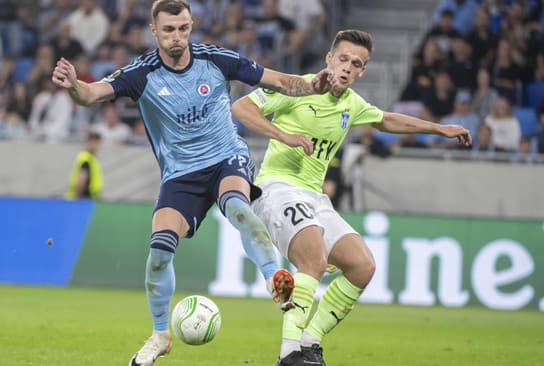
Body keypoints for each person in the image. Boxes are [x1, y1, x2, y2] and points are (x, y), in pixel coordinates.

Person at [51, 1, 334, 365]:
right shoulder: (141, 73)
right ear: (154, 31)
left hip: (226, 157)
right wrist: (74, 84)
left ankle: (273, 279)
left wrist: (313, 84)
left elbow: (278, 80)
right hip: (181, 175)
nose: (177, 37)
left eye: (183, 28)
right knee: (158, 254)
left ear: (191, 25)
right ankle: (159, 335)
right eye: (169, 30)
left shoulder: (216, 60)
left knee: (238, 207)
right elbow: (90, 95)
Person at [232, 29, 471, 366]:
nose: (347, 67)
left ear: (362, 72)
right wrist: (284, 135)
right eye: (342, 58)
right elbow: (241, 107)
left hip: (314, 198)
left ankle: (310, 342)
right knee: (313, 261)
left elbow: (387, 120)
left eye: (355, 63)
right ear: (329, 58)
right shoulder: (297, 87)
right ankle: (289, 353)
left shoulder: (352, 104)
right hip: (277, 189)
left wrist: (440, 129)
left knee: (362, 266)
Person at [65, 131, 103, 199]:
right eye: (94, 143)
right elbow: (81, 180)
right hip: (84, 200)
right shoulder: (86, 159)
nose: (97, 146)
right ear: (89, 143)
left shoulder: (91, 158)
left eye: (98, 143)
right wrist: (79, 200)